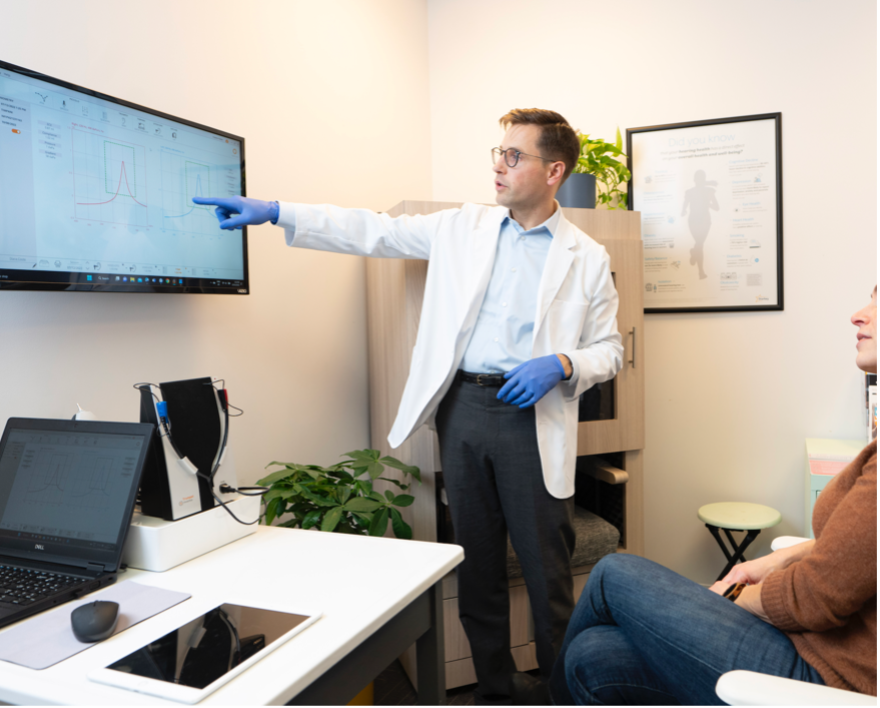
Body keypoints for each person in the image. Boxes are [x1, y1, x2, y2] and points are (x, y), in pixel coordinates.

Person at [194, 109, 624, 706]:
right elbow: (372, 231)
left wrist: (564, 364)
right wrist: (276, 212)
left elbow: (610, 349)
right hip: (465, 409)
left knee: (549, 575)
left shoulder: (588, 256)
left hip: (534, 416)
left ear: (554, 171)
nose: (499, 165)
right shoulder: (462, 228)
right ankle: (495, 693)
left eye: (514, 156)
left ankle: (561, 696)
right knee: (476, 568)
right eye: (497, 152)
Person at [522, 287, 877, 706]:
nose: (858, 315)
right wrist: (771, 561)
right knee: (590, 656)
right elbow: (854, 550)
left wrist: (730, 598)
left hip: (830, 677)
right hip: (821, 644)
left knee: (613, 573)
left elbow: (816, 596)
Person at [681, 169, 719, 280]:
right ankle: (700, 271)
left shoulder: (709, 191)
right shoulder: (690, 192)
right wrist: (683, 210)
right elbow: (685, 203)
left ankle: (695, 255)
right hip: (694, 221)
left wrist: (708, 204)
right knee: (699, 244)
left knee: (699, 244)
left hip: (705, 221)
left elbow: (717, 207)